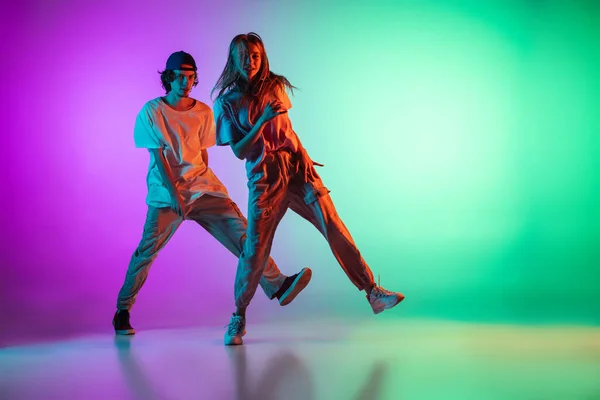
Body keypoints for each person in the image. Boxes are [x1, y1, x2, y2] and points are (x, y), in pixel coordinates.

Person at [212, 33, 404, 346]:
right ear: (234, 59)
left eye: (256, 56)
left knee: (334, 226)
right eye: (244, 56)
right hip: (264, 181)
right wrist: (261, 120)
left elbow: (287, 130)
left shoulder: (275, 85)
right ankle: (238, 316)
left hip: (297, 171)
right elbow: (240, 151)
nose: (250, 62)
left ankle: (372, 292)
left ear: (263, 58)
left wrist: (304, 158)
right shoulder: (227, 102)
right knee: (255, 251)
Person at [112, 51, 312, 335]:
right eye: (180, 77)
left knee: (244, 235)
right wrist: (175, 195)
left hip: (203, 190)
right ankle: (122, 310)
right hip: (167, 194)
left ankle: (278, 285)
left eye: (191, 77)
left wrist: (207, 187)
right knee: (147, 250)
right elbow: (159, 159)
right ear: (168, 78)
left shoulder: (203, 111)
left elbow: (203, 155)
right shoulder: (152, 112)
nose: (186, 82)